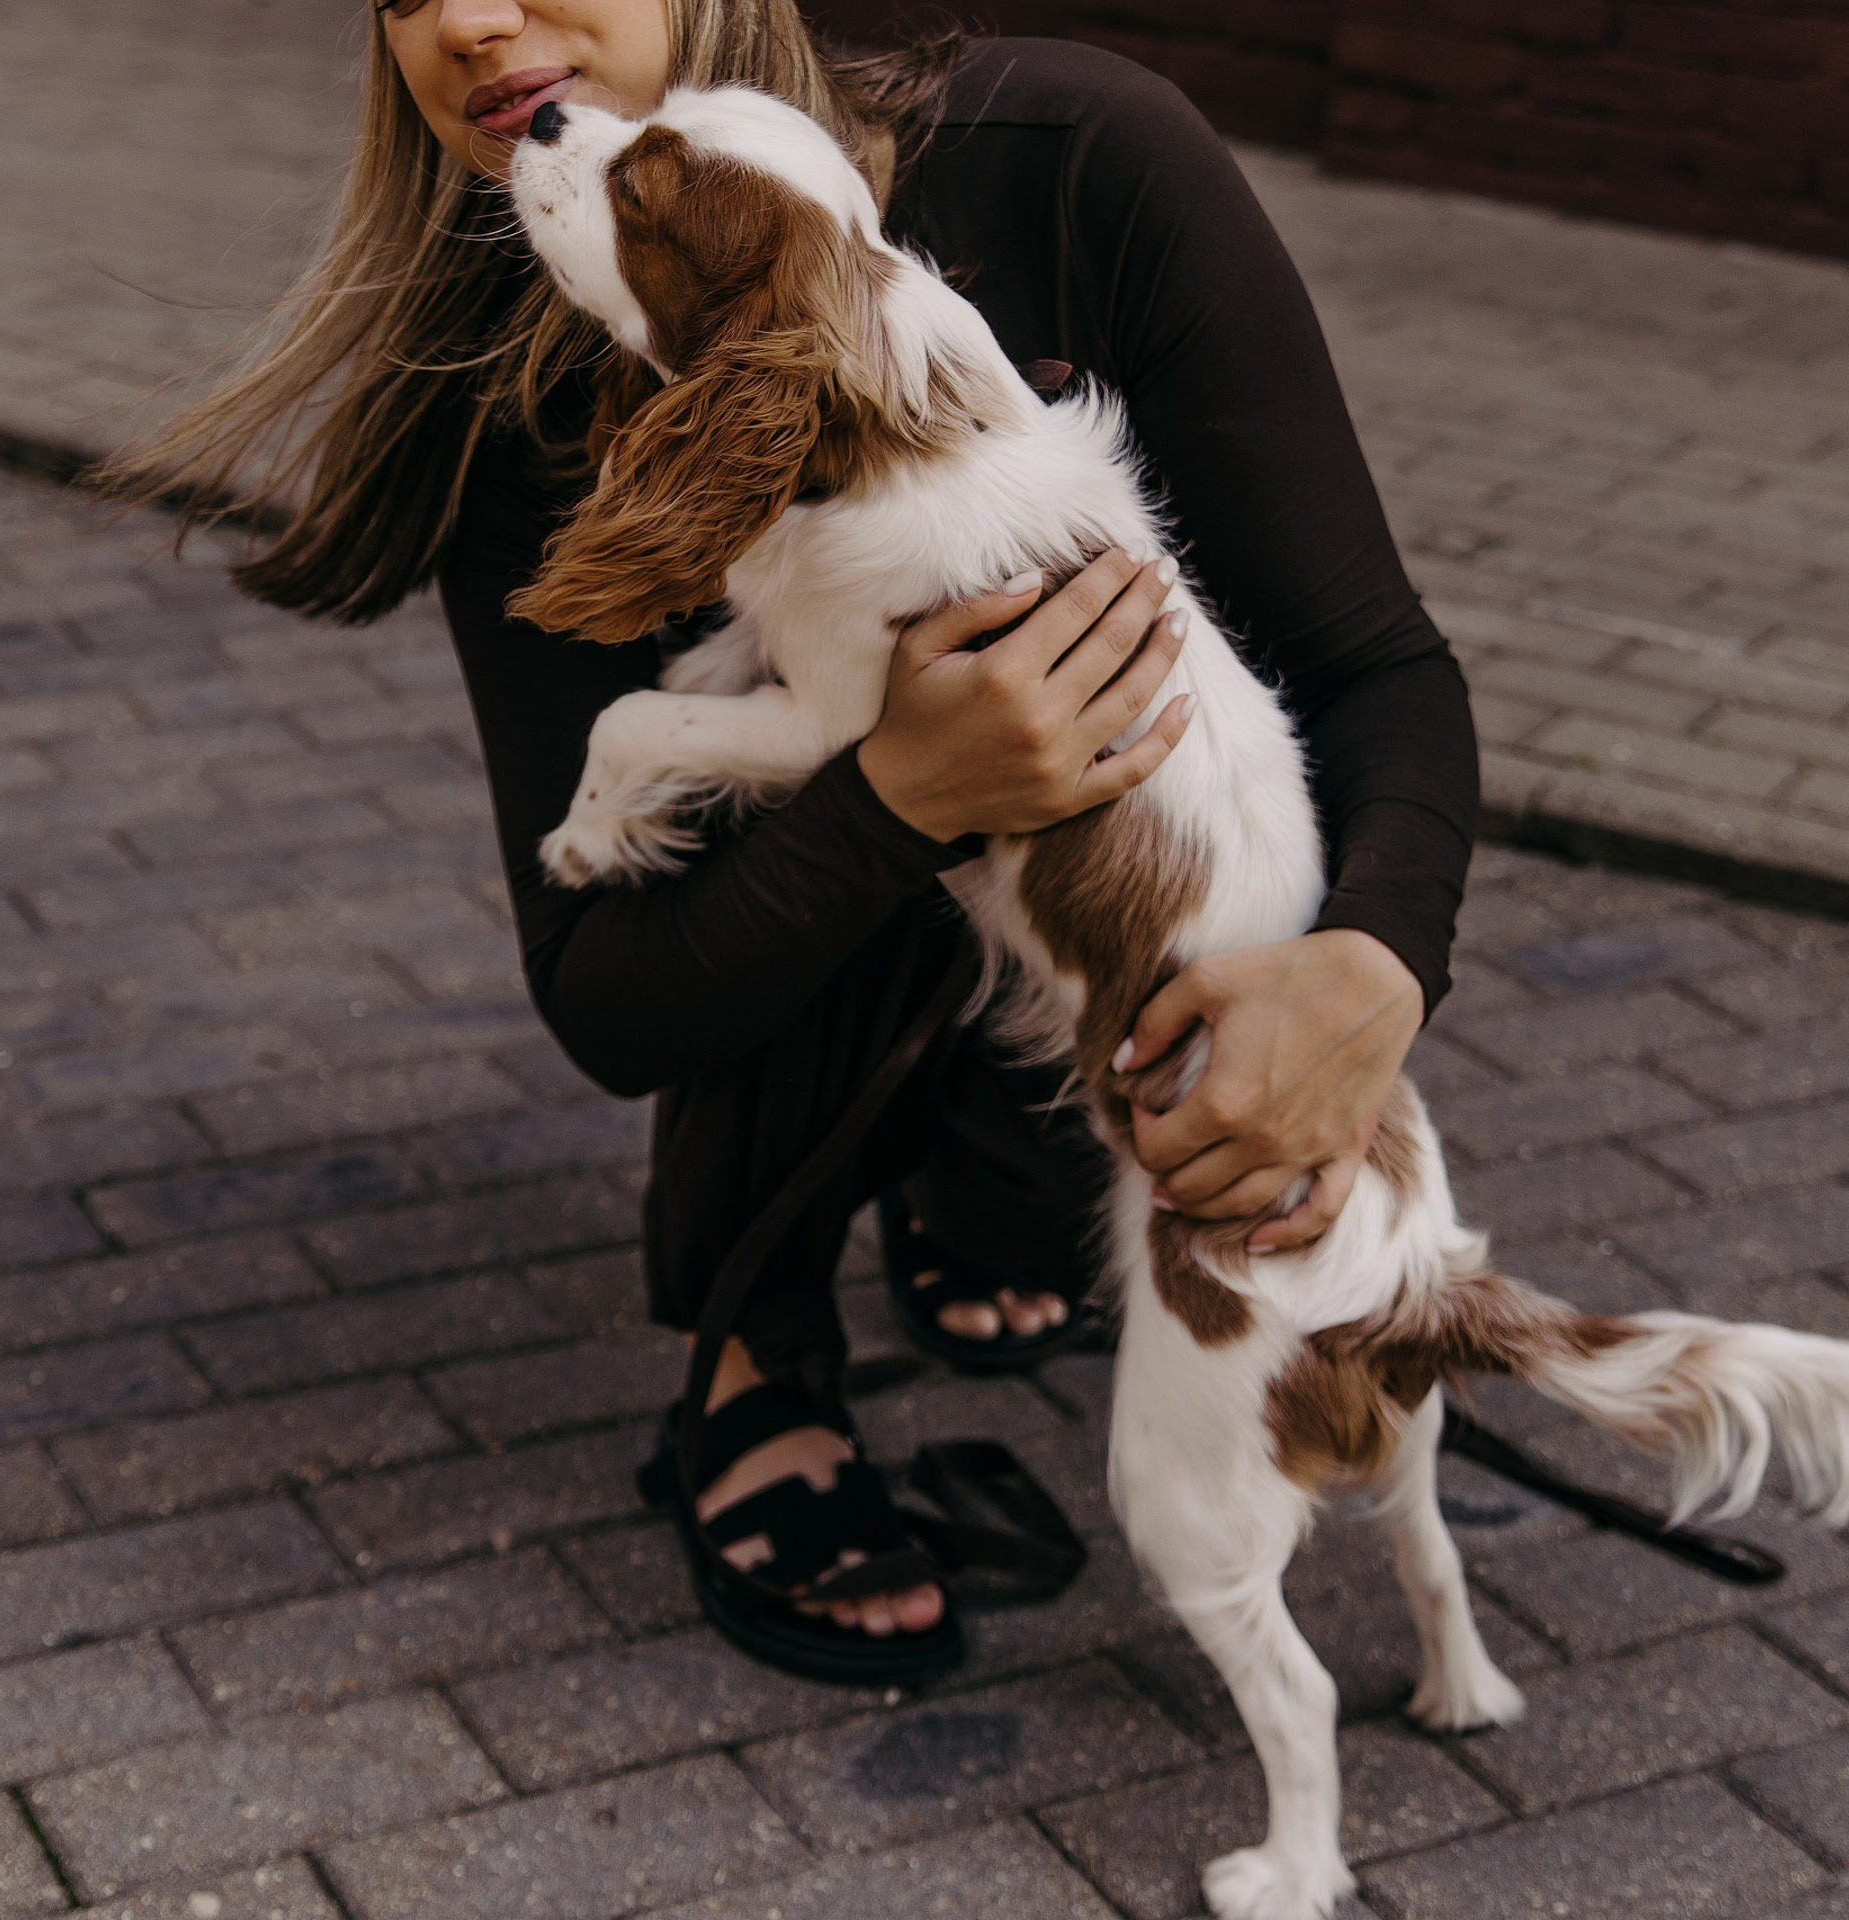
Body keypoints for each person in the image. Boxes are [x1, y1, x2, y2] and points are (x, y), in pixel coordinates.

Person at [102, 0, 1476, 1684]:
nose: (463, 19)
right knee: (773, 813)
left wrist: (1378, 963)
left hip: (1122, 964)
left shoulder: (1080, 163)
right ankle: (756, 1347)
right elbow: (607, 999)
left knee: (1093, 1223)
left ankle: (977, 1192)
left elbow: (1377, 667)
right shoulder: (500, 358)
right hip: (799, 940)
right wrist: (899, 793)